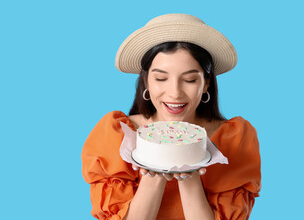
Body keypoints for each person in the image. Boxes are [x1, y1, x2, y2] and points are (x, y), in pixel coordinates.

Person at [82, 13, 261, 220]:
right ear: (146, 81)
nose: (175, 93)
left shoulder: (234, 138)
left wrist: (190, 176)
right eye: (161, 78)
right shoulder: (116, 134)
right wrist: (153, 173)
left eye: (190, 80)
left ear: (207, 84)